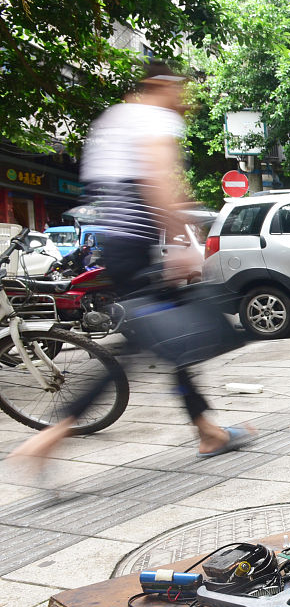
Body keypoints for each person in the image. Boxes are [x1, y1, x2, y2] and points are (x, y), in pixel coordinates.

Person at [8, 62, 254, 462]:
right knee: (146, 345)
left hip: (117, 247)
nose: (184, 101)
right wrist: (184, 240)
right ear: (162, 85)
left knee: (170, 338)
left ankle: (208, 430)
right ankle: (53, 434)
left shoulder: (112, 121)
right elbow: (158, 183)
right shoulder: (154, 118)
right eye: (181, 91)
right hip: (137, 247)